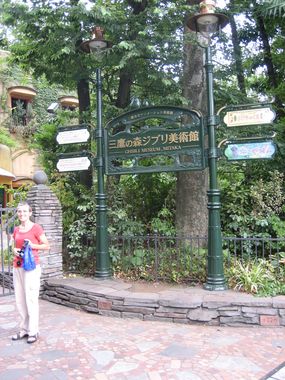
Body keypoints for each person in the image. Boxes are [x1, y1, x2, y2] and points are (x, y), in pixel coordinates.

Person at [11, 202, 49, 344]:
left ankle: (33, 331)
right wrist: (14, 250)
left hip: (31, 267)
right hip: (18, 266)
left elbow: (46, 245)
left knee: (31, 299)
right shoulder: (16, 229)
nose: (22, 214)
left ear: (30, 213)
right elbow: (15, 246)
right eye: (19, 211)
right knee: (20, 299)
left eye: (25, 211)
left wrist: (33, 245)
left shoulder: (36, 228)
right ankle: (24, 329)